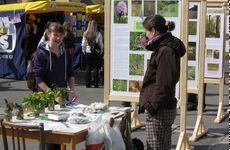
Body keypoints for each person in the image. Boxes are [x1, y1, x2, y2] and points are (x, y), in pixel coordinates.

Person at [138, 15, 186, 150]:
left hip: (160, 110)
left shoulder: (165, 50)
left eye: (147, 31)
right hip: (162, 107)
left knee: (156, 147)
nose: (146, 35)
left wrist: (152, 106)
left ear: (153, 31)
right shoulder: (164, 48)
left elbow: (164, 84)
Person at [33, 22, 77, 149]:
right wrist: (52, 95)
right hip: (45, 100)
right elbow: (38, 79)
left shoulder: (65, 52)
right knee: (48, 138)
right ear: (48, 34)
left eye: (61, 36)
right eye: (55, 35)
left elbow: (70, 73)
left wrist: (72, 90)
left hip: (62, 99)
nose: (58, 38)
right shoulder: (41, 53)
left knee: (61, 135)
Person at [82, 20, 103, 88]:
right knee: (95, 68)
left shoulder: (85, 33)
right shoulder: (98, 34)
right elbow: (101, 44)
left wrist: (84, 51)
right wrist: (101, 51)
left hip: (88, 52)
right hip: (96, 53)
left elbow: (83, 44)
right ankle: (96, 83)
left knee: (88, 68)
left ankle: (87, 84)